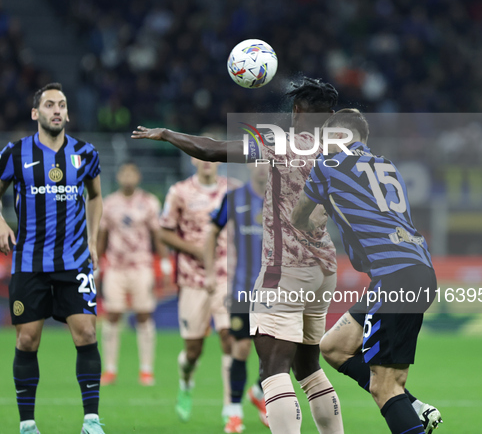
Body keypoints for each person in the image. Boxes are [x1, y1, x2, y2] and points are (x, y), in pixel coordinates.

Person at [132, 77, 345, 434]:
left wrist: (168, 134)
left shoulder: (281, 144)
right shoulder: (338, 152)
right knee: (308, 367)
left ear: (295, 111)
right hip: (323, 267)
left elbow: (212, 150)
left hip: (285, 268)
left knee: (273, 368)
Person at [291, 109, 442, 434]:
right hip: (418, 269)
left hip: (395, 276)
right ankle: (414, 406)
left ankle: (405, 408)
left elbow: (299, 215)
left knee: (383, 387)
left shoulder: (328, 166)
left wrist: (311, 222)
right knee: (333, 347)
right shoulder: (387, 165)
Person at [0, 82, 106, 434]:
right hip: (29, 262)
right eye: (50, 104)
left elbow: (96, 197)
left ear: (67, 113)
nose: (57, 110)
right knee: (27, 340)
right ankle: (27, 425)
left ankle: (91, 421)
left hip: (75, 260)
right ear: (36, 113)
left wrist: (93, 241)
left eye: (62, 104)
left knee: (86, 333)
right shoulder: (15, 152)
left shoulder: (86, 153)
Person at [158, 157, 233, 423]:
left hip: (226, 275)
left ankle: (230, 409)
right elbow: (164, 231)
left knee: (229, 337)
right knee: (193, 350)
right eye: (202, 157)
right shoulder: (179, 192)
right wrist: (196, 250)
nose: (207, 162)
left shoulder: (232, 190)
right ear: (192, 160)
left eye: (213, 158)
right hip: (191, 278)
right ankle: (186, 383)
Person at [205, 164, 269, 433]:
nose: (264, 167)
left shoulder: (286, 199)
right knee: (241, 348)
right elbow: (211, 233)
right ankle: (233, 412)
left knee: (282, 352)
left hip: (277, 289)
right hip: (243, 286)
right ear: (250, 166)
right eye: (259, 161)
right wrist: (210, 273)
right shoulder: (234, 198)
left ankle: (258, 391)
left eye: (270, 161)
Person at [97, 162, 172, 387]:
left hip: (141, 266)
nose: (128, 177)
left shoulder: (149, 202)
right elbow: (102, 236)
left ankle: (146, 370)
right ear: (119, 176)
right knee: (112, 314)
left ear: (137, 177)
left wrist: (165, 262)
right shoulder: (109, 204)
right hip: (115, 267)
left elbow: (157, 235)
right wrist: (96, 264)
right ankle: (110, 369)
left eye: (132, 173)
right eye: (124, 173)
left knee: (144, 314)